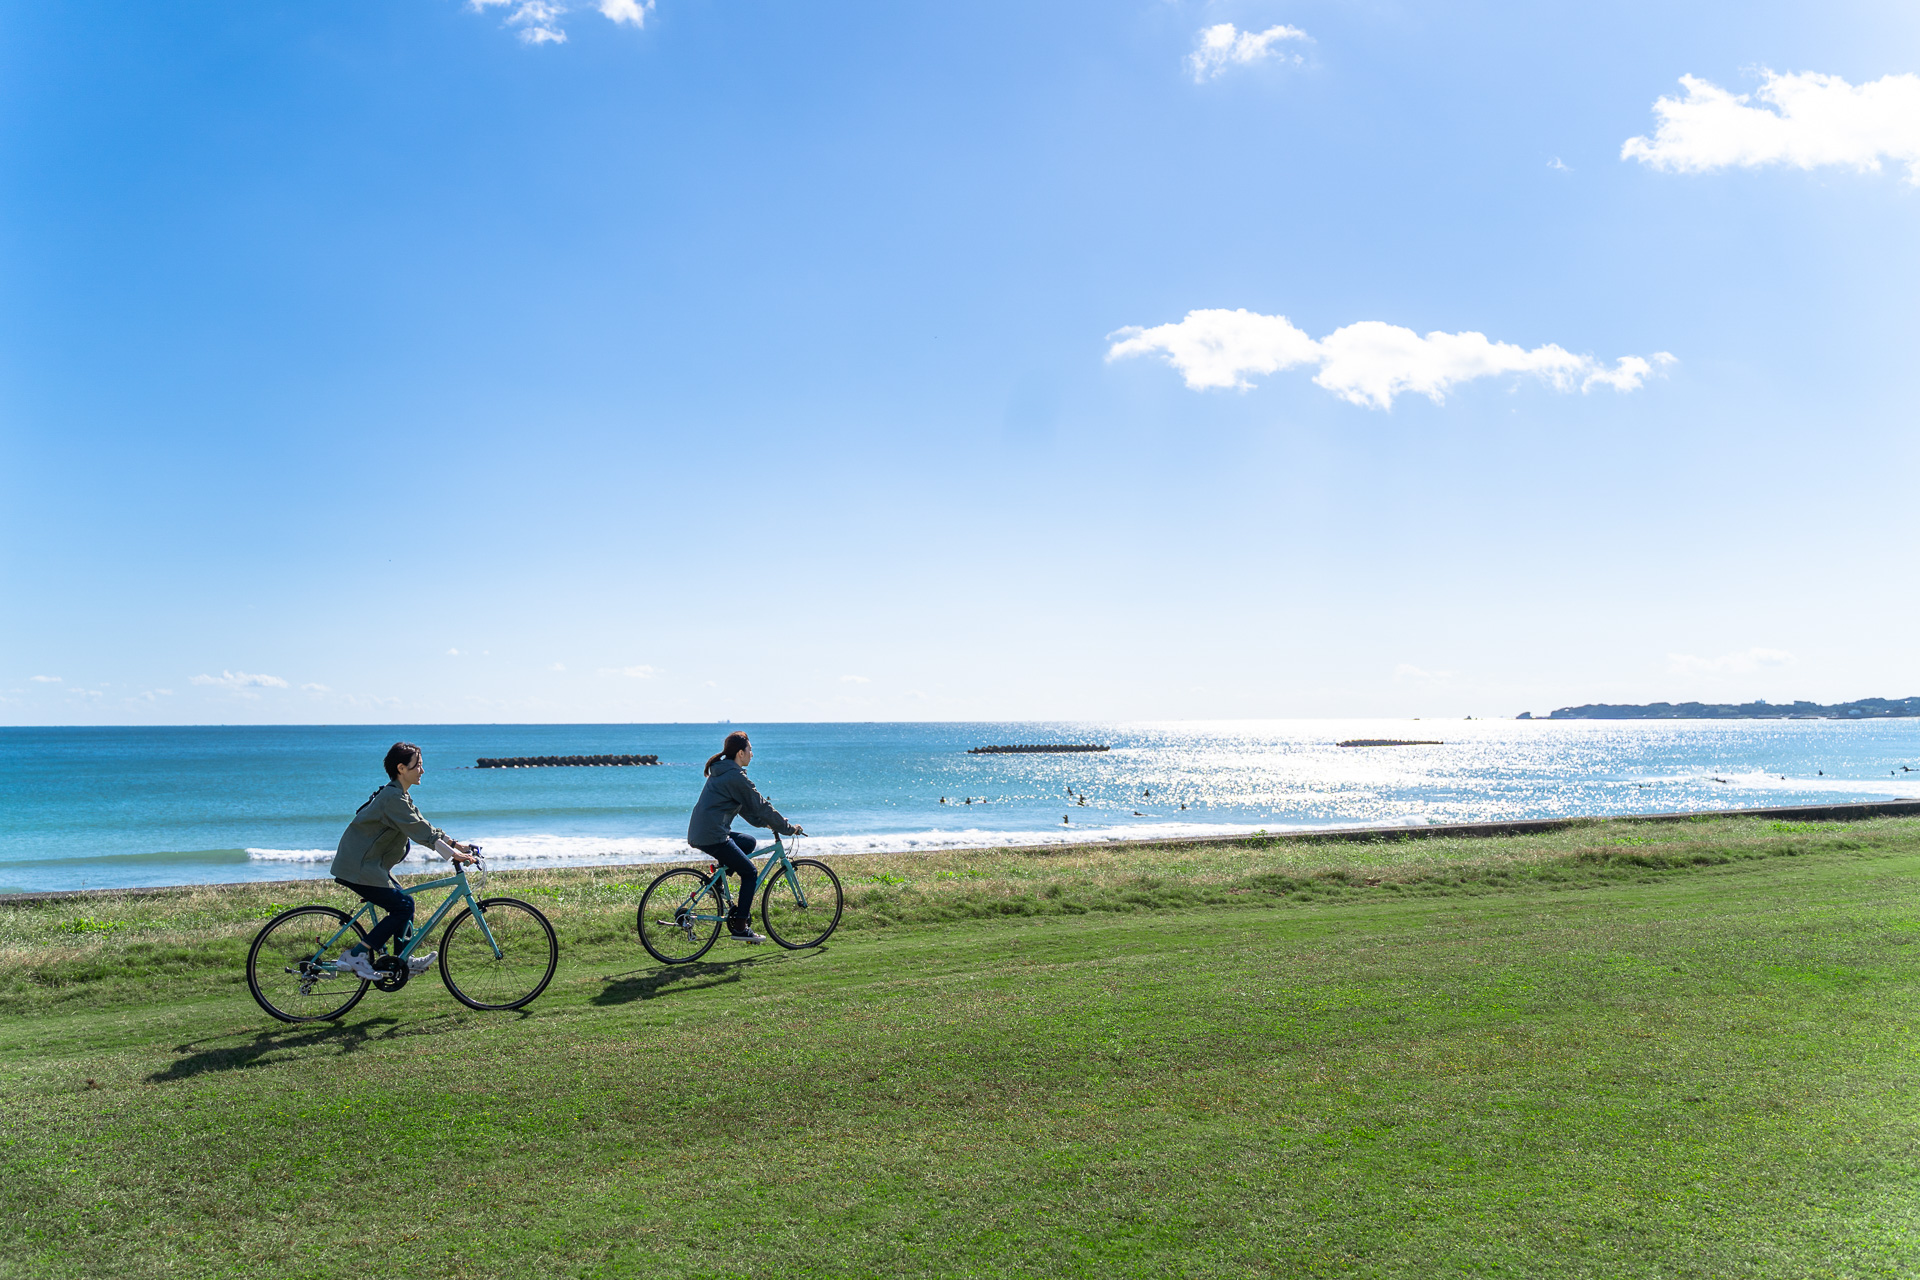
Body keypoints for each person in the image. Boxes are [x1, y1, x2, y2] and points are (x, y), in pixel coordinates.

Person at [329, 742, 477, 980]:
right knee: (403, 906)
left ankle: (402, 959)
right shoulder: (392, 799)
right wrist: (453, 855)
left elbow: (422, 824)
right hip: (358, 868)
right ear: (401, 768)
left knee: (404, 902)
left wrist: (455, 844)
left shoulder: (399, 795)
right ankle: (356, 955)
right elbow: (419, 831)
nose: (422, 770)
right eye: (417, 765)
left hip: (371, 866)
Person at [687, 731, 803, 943]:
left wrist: (766, 823)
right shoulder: (735, 776)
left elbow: (748, 810)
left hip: (704, 831)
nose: (752, 754)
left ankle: (717, 884)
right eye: (750, 750)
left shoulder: (724, 772)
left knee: (748, 842)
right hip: (713, 834)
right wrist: (787, 828)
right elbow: (760, 805)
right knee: (750, 872)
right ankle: (740, 927)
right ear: (740, 753)